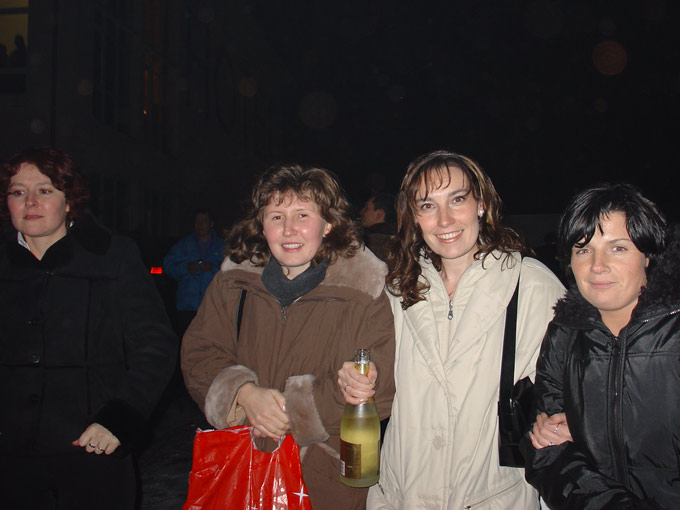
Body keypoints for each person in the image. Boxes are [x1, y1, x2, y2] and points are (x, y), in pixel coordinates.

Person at [339, 150, 565, 509]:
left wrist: (563, 422)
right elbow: (379, 372)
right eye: (428, 206)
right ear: (414, 217)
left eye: (457, 200)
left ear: (481, 205)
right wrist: (359, 377)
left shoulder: (531, 285)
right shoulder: (399, 288)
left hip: (491, 498)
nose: (444, 220)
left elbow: (573, 390)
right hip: (402, 496)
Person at [181, 163, 395, 510]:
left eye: (302, 215)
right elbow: (199, 353)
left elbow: (382, 387)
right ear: (261, 224)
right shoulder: (232, 285)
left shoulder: (364, 293)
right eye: (277, 216)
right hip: (243, 471)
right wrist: (244, 394)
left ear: (328, 224)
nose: (289, 229)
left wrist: (288, 411)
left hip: (324, 482)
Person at [0, 146, 177, 509]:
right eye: (18, 192)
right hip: (11, 460)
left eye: (44, 190)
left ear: (69, 201)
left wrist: (120, 419)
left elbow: (155, 346)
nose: (30, 202)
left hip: (92, 451)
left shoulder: (112, 257)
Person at [522, 183, 678, 509]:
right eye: (583, 249)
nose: (597, 265)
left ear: (648, 256)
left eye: (617, 248)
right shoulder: (565, 334)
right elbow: (546, 452)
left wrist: (584, 432)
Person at [163, 208, 225, 336]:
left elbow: (232, 271)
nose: (200, 225)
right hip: (187, 307)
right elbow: (168, 266)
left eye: (204, 221)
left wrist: (213, 268)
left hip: (212, 307)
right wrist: (185, 268)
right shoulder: (184, 245)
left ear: (211, 224)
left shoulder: (221, 246)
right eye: (197, 221)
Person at [359, 192, 397, 262]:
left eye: (366, 208)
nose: (361, 212)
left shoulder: (370, 243)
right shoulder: (398, 241)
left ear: (379, 214)